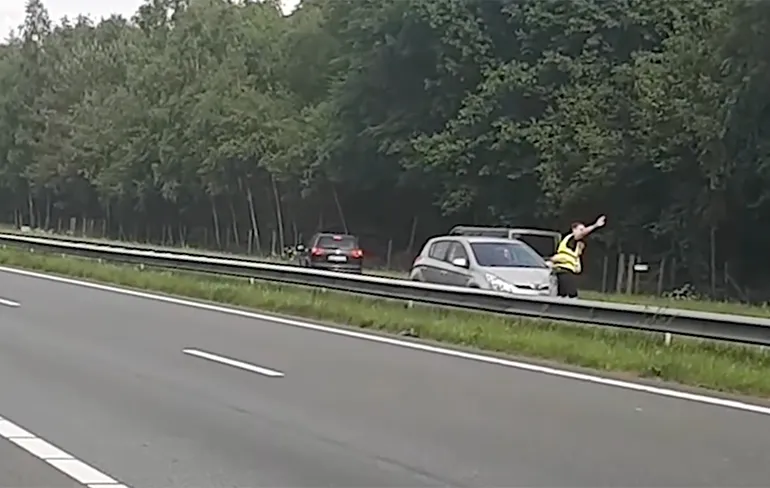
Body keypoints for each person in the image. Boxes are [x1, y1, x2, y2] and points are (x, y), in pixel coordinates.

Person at [549, 216, 606, 298]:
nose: (583, 232)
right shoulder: (571, 238)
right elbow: (582, 234)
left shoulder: (573, 246)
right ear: (574, 230)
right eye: (581, 229)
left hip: (564, 271)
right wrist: (595, 225)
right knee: (572, 294)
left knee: (562, 296)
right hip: (563, 270)